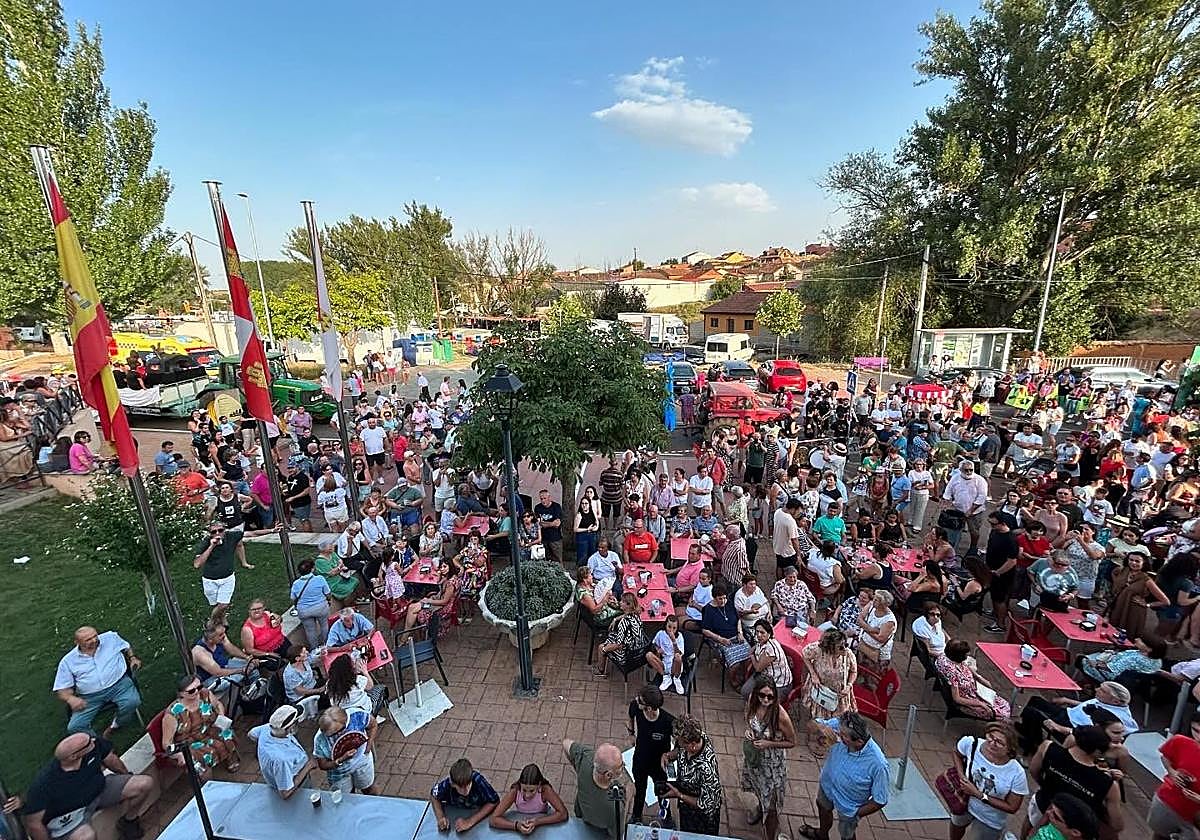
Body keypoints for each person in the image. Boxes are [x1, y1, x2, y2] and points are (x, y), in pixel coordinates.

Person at [19, 732, 155, 840]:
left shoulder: (93, 746)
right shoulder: (44, 784)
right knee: (86, 837)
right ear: (74, 756)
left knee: (144, 783)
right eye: (89, 743)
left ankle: (129, 822)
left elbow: (111, 760)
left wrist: (126, 776)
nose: (93, 741)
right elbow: (34, 823)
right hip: (71, 814)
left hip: (100, 791)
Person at [797, 712, 889, 840]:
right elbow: (811, 725)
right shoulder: (842, 726)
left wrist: (856, 813)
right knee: (823, 808)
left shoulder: (878, 764)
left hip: (849, 804)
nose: (838, 735)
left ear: (859, 742)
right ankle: (822, 835)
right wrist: (821, 728)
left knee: (847, 833)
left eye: (843, 736)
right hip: (827, 786)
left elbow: (880, 800)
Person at [1026, 725, 1122, 838]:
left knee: (1030, 825)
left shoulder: (1047, 747)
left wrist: (1047, 786)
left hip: (1042, 804)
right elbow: (1117, 824)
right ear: (1097, 752)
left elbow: (1033, 771)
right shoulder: (1108, 784)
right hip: (1070, 828)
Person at [53, 627, 142, 736]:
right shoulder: (68, 661)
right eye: (88, 640)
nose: (94, 640)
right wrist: (71, 699)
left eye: (95, 636)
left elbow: (126, 647)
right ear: (77, 642)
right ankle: (97, 744)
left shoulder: (110, 638)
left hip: (119, 685)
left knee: (132, 702)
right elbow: (62, 689)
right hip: (90, 697)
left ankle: (116, 725)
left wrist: (132, 658)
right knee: (75, 726)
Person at [948, 723, 1028, 840]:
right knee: (957, 825)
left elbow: (1012, 807)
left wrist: (979, 795)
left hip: (989, 819)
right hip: (963, 803)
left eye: (999, 742)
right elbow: (956, 753)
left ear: (1010, 748)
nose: (992, 743)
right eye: (990, 736)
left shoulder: (1016, 773)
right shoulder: (972, 743)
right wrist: (962, 776)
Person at [741, 676, 797, 840]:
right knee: (758, 789)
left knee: (771, 805)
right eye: (762, 695)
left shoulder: (781, 716)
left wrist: (769, 743)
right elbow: (748, 716)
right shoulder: (753, 700)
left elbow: (792, 742)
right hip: (756, 759)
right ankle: (760, 808)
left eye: (770, 696)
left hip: (772, 765)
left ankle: (771, 834)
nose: (766, 700)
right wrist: (749, 731)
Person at [160, 674, 238, 773]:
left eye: (199, 687)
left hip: (208, 729)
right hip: (189, 742)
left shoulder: (204, 694)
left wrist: (221, 716)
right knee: (201, 759)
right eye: (192, 691)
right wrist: (179, 754)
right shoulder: (173, 713)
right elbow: (166, 743)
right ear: (181, 694)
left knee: (227, 733)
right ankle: (205, 783)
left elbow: (218, 705)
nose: (197, 692)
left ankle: (230, 758)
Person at [625, 685, 675, 823]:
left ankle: (667, 817)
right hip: (640, 759)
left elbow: (680, 743)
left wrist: (669, 755)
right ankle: (636, 815)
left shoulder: (668, 721)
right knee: (640, 790)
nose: (636, 700)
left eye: (640, 700)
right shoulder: (636, 705)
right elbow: (630, 716)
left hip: (658, 765)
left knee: (662, 792)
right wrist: (631, 734)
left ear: (649, 708)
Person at [561, 739, 628, 839]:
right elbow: (617, 834)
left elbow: (565, 743)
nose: (623, 767)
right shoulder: (615, 803)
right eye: (621, 766)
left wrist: (577, 767)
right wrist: (630, 794)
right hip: (601, 829)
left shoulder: (586, 759)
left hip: (581, 813)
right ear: (608, 775)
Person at [1149, 712, 1200, 840]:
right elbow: (1165, 757)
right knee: (1159, 835)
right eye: (1196, 730)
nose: (1199, 737)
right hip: (1168, 801)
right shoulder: (1180, 741)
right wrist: (1172, 771)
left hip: (1195, 816)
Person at [249, 704, 316, 800]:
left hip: (279, 774)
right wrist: (309, 766)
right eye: (296, 721)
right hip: (298, 785)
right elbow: (285, 793)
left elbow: (251, 734)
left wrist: (263, 749)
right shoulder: (281, 759)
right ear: (291, 728)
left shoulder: (268, 728)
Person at [314, 705, 378, 796]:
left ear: (346, 721)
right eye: (332, 735)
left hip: (362, 761)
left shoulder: (357, 715)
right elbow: (323, 765)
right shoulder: (319, 739)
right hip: (339, 772)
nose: (338, 735)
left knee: (369, 789)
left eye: (340, 730)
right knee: (347, 797)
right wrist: (341, 760)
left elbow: (373, 724)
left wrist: (369, 745)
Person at [488, 764, 569, 834]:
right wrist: (516, 826)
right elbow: (493, 819)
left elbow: (563, 814)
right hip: (520, 819)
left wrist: (538, 822)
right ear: (520, 785)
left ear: (539, 785)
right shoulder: (515, 792)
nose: (527, 795)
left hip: (544, 818)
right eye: (524, 790)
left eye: (532, 791)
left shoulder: (545, 791)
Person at [593, 593, 658, 677]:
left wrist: (605, 650)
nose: (620, 602)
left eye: (622, 601)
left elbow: (618, 645)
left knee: (601, 647)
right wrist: (616, 619)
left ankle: (600, 670)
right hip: (639, 650)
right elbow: (627, 614)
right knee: (612, 635)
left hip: (627, 656)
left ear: (627, 605)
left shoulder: (624, 623)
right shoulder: (636, 615)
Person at [192, 521, 249, 608]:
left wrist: (272, 530)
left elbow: (252, 533)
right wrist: (211, 546)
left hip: (227, 578)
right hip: (210, 580)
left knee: (223, 605)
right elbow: (197, 564)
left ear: (224, 531)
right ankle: (222, 621)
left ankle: (211, 621)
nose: (217, 533)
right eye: (214, 532)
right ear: (210, 534)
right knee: (216, 606)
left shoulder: (231, 536)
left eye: (220, 530)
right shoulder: (205, 543)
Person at [941, 458, 989, 553]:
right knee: (955, 529)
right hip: (958, 509)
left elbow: (981, 497)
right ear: (960, 470)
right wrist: (945, 503)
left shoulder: (980, 480)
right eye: (966, 470)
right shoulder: (956, 477)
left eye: (971, 470)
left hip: (975, 512)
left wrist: (970, 511)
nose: (968, 472)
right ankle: (953, 547)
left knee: (974, 531)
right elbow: (948, 490)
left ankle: (973, 548)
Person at [1078, 634, 1166, 684]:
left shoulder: (1132, 658)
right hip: (1134, 682)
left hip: (1110, 677)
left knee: (1080, 658)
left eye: (1141, 641)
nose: (1136, 639)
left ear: (1149, 649)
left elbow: (1110, 668)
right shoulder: (1158, 661)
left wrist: (1094, 663)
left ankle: (1087, 683)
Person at [290, 558, 333, 649]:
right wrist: (328, 600)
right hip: (321, 608)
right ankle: (327, 646)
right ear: (312, 569)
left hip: (304, 611)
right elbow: (328, 593)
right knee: (324, 626)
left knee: (310, 631)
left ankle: (315, 650)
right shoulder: (320, 579)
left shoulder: (296, 584)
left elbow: (293, 598)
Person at [855, 590, 897, 667]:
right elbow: (859, 619)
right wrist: (872, 630)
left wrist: (865, 628)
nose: (873, 601)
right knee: (860, 666)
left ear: (883, 604)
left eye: (876, 600)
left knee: (873, 673)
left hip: (876, 651)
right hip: (863, 644)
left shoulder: (889, 620)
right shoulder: (871, 605)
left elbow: (881, 638)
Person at [649, 613, 686, 694]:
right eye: (669, 627)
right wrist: (658, 649)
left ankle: (676, 679)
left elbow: (680, 653)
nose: (671, 630)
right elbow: (654, 643)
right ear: (666, 625)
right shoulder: (661, 634)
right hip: (664, 662)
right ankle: (666, 676)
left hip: (675, 664)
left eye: (674, 628)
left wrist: (674, 641)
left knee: (677, 656)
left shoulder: (679, 636)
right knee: (649, 655)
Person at [533, 489, 564, 565]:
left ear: (549, 498)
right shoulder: (537, 508)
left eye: (545, 498)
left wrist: (545, 524)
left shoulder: (556, 507)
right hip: (544, 538)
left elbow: (557, 524)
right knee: (545, 559)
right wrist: (551, 523)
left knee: (558, 560)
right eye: (541, 499)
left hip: (555, 538)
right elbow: (538, 523)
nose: (543, 501)